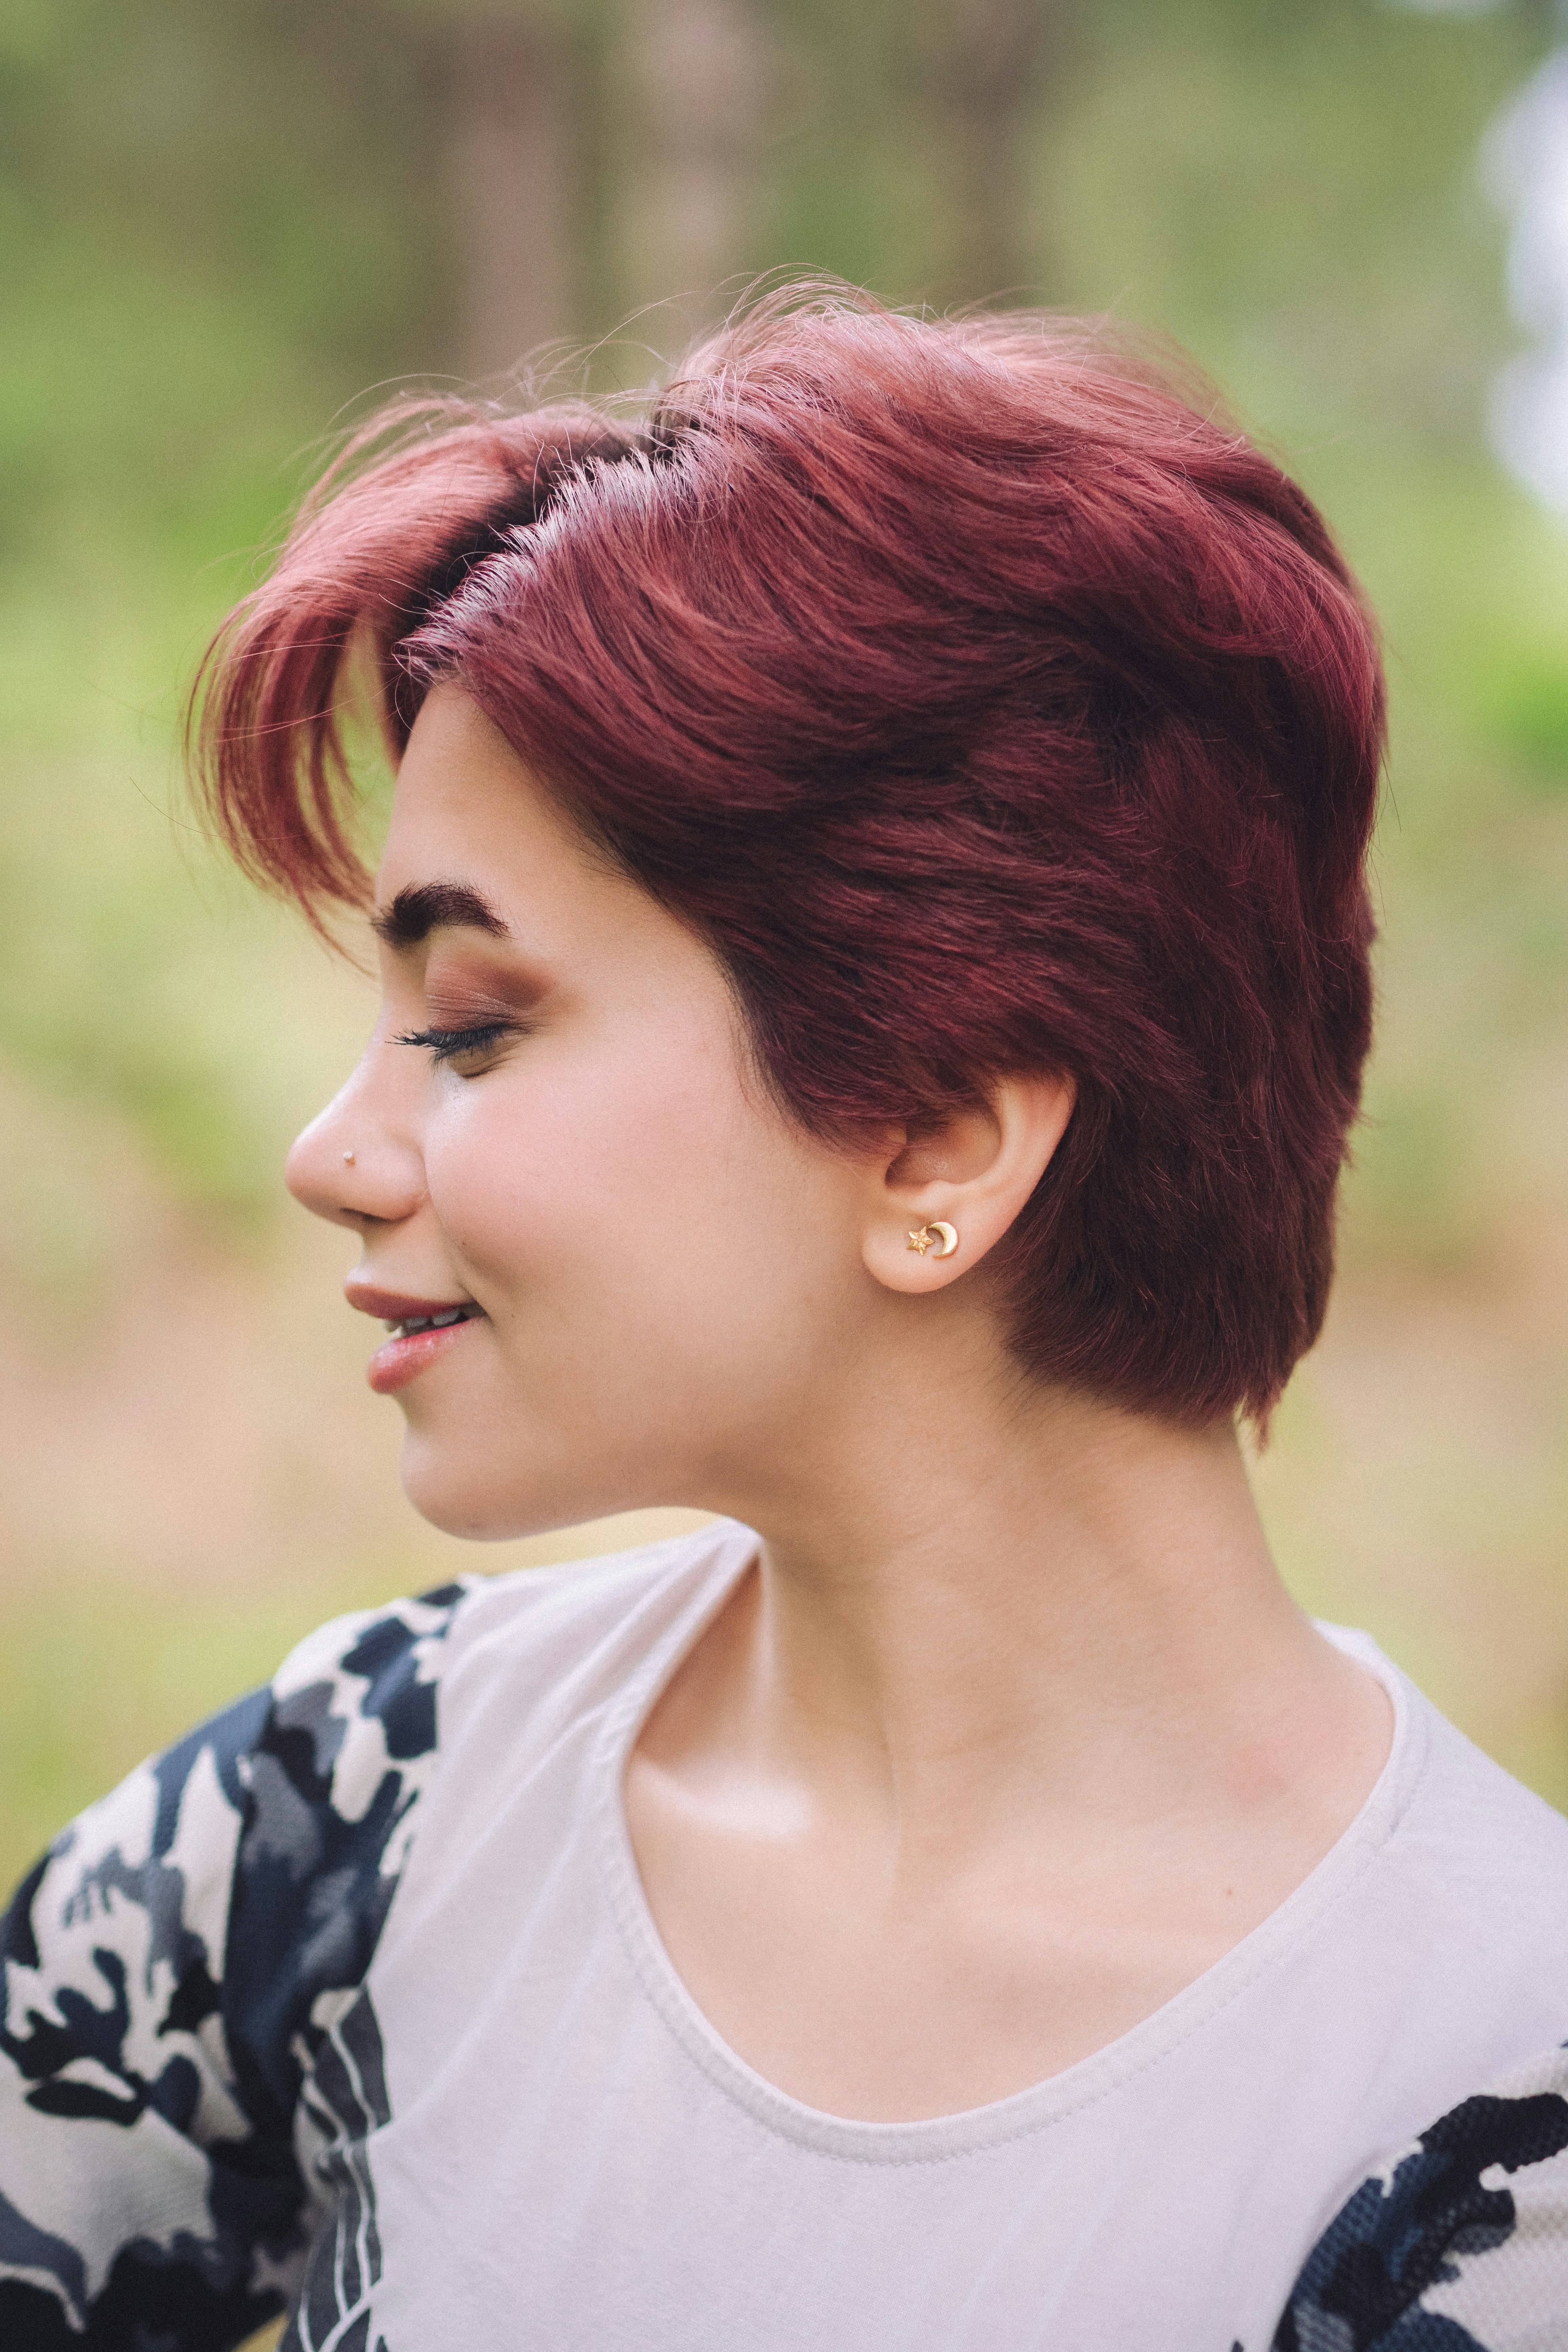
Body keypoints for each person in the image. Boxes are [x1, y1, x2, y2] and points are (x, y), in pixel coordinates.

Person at [3, 286, 1566, 2352]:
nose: (331, 1152)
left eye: (471, 1026)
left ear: (937, 1138)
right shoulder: (364, 1802)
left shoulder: (1491, 2127)